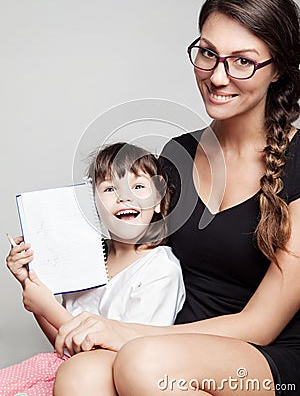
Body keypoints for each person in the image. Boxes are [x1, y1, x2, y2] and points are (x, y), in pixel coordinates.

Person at [53, 0, 300, 396]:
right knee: (81, 373)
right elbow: (133, 263)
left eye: (242, 61)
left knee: (144, 361)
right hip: (172, 344)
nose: (218, 76)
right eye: (208, 53)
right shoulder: (177, 155)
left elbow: (261, 324)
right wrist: (43, 279)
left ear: (277, 69)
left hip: (268, 358)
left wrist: (126, 335)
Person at [2, 142, 185, 396]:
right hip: (65, 370)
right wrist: (30, 282)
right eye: (110, 188)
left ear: (158, 201)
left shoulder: (160, 269)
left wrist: (48, 306)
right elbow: (63, 344)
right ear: (94, 206)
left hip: (107, 383)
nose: (124, 196)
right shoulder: (87, 261)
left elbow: (129, 356)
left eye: (138, 186)